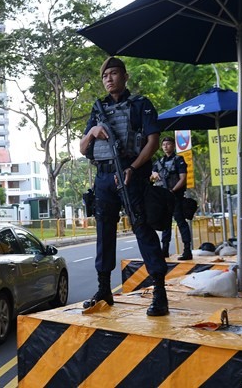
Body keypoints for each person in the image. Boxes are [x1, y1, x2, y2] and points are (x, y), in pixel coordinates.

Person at [79, 56, 168, 317]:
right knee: (104, 233)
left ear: (125, 76)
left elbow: (153, 141)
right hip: (104, 178)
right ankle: (104, 289)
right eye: (106, 76)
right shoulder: (98, 109)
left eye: (115, 74)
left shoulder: (141, 105)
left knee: (142, 228)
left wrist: (134, 167)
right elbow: (83, 148)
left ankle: (160, 292)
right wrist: (93, 132)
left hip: (131, 173)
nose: (109, 79)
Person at [151, 136, 193, 260]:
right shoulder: (159, 162)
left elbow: (183, 178)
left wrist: (173, 190)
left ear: (173, 146)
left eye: (168, 144)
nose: (165, 146)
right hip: (163, 198)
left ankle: (187, 250)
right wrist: (153, 174)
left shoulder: (179, 160)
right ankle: (164, 250)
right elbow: (151, 176)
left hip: (175, 196)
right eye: (164, 144)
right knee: (165, 224)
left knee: (181, 222)